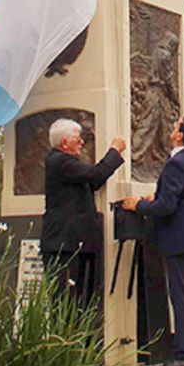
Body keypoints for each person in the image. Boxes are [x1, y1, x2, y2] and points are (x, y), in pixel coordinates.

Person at [122, 116, 184, 366]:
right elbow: (183, 195)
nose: (172, 128)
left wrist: (138, 205)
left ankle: (182, 355)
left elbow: (166, 207)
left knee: (181, 298)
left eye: (176, 127)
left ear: (180, 136)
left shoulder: (176, 163)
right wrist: (158, 196)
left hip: (180, 235)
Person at [40, 118, 127, 307]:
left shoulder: (70, 166)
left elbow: (93, 182)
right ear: (64, 142)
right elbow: (96, 174)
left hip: (79, 244)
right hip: (64, 246)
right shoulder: (59, 161)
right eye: (77, 139)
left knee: (83, 303)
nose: (82, 142)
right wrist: (114, 150)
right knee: (66, 304)